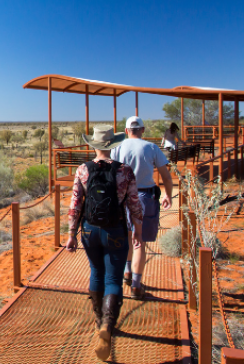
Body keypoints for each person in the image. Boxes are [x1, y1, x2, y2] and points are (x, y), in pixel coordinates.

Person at [66, 126, 142, 361]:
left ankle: (99, 321)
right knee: (113, 278)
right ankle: (107, 328)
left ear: (94, 146)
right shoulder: (125, 171)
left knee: (96, 272)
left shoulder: (82, 170)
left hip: (89, 230)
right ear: (113, 145)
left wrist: (71, 234)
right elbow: (134, 203)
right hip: (116, 229)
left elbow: (75, 204)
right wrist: (138, 229)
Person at [111, 116, 173, 299]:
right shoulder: (151, 147)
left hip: (123, 198)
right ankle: (136, 286)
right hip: (144, 197)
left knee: (128, 238)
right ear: (143, 130)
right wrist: (168, 195)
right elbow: (166, 176)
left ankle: (127, 273)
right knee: (140, 242)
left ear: (126, 130)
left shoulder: (118, 148)